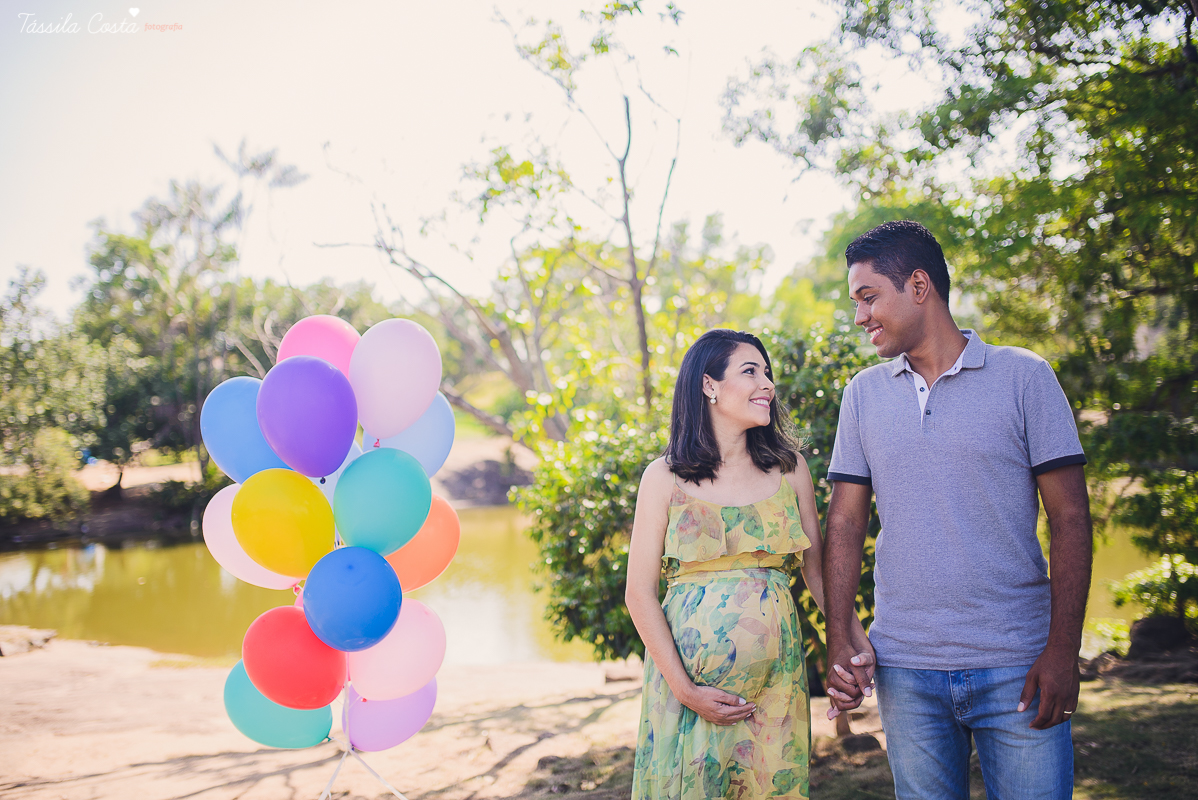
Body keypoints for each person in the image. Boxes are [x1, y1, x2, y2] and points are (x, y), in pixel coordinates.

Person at [821, 220, 1093, 799]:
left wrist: (1063, 650)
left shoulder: (1026, 378)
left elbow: (1071, 519)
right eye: (855, 302)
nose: (860, 316)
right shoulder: (862, 395)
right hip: (906, 670)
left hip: (1018, 666)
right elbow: (844, 522)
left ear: (919, 286)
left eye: (869, 297)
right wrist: (839, 636)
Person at [626, 328, 872, 800]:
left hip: (775, 691)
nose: (767, 384)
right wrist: (685, 690)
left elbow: (817, 572)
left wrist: (855, 641)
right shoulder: (663, 477)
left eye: (767, 373)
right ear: (709, 385)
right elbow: (639, 594)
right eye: (750, 371)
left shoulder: (789, 468)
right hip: (690, 692)